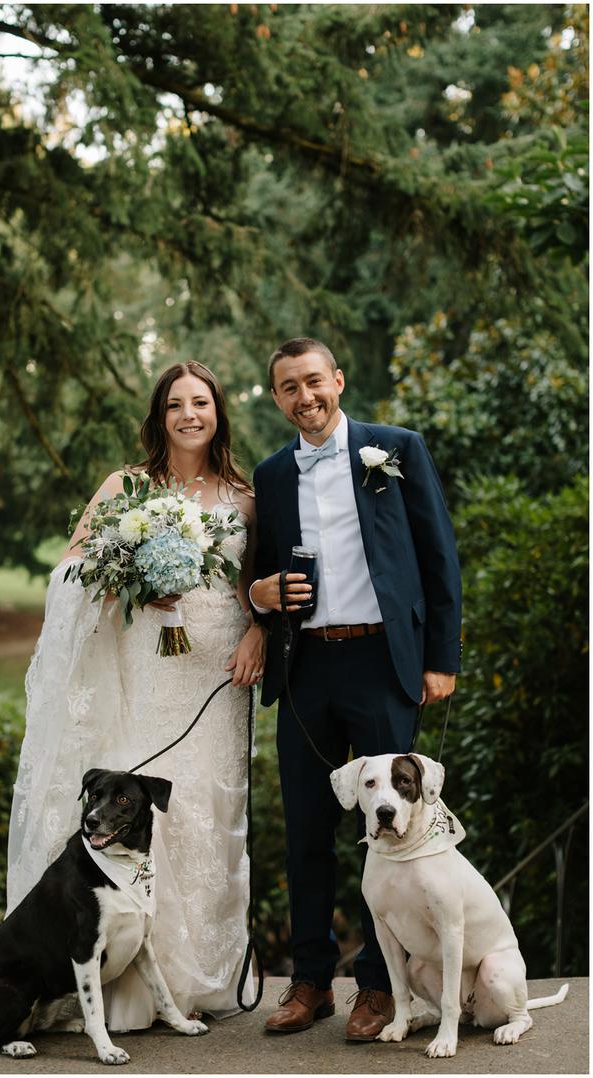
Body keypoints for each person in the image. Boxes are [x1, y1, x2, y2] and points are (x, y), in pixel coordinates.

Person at [9, 361, 265, 1030]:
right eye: (176, 403)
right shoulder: (126, 486)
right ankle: (123, 983)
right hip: (145, 677)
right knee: (143, 816)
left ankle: (195, 976)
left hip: (216, 677)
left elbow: (252, 588)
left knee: (209, 813)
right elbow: (71, 567)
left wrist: (258, 633)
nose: (189, 414)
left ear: (218, 414)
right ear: (159, 417)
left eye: (201, 402)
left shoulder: (243, 496)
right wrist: (131, 583)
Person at [249, 337, 460, 1040]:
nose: (305, 398)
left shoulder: (394, 448)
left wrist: (441, 657)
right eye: (288, 388)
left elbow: (438, 555)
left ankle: (376, 985)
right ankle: (310, 981)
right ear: (276, 398)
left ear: (338, 379)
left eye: (314, 382)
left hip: (383, 665)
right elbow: (256, 574)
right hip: (305, 667)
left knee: (390, 833)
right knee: (307, 830)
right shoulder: (272, 474)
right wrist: (262, 595)